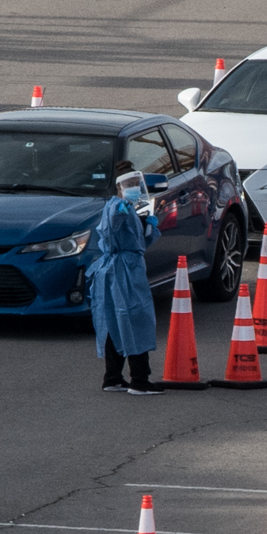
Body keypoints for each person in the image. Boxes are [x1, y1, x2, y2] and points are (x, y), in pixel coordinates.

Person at [86, 166, 163, 391]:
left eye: (136, 184)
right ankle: (140, 380)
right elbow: (110, 233)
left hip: (122, 268)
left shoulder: (128, 208)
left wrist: (148, 226)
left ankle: (113, 378)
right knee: (136, 320)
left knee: (115, 323)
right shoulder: (117, 208)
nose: (134, 189)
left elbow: (137, 242)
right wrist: (121, 213)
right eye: (128, 185)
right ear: (119, 187)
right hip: (124, 271)